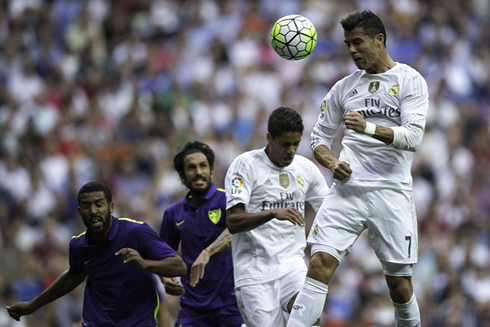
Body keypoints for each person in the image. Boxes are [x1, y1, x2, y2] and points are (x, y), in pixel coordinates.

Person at [287, 10, 428, 327]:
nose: (351, 50)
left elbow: (413, 138)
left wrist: (367, 128)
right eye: (348, 44)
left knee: (400, 287)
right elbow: (318, 139)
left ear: (379, 40)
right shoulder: (343, 88)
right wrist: (332, 162)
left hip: (391, 192)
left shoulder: (410, 81)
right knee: (319, 263)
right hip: (347, 192)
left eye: (358, 42)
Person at [6, 181, 187, 326]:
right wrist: (32, 305)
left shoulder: (136, 232)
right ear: (79, 212)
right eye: (86, 206)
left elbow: (179, 266)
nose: (93, 211)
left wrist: (145, 264)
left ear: (111, 207)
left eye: (98, 204)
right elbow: (73, 276)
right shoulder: (78, 245)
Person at [225, 107, 329, 327]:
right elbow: (233, 222)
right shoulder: (245, 165)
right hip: (254, 274)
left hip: (292, 264)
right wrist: (272, 213)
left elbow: (330, 209)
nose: (291, 150)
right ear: (269, 138)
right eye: (285, 144)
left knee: (309, 316)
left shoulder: (305, 169)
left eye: (296, 144)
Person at [159, 141, 244, 327]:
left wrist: (209, 251)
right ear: (182, 176)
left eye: (203, 166)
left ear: (211, 171)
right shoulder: (173, 214)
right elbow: (163, 255)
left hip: (231, 305)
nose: (198, 172)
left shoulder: (227, 201)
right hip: (192, 309)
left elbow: (237, 229)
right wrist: (165, 278)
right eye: (191, 168)